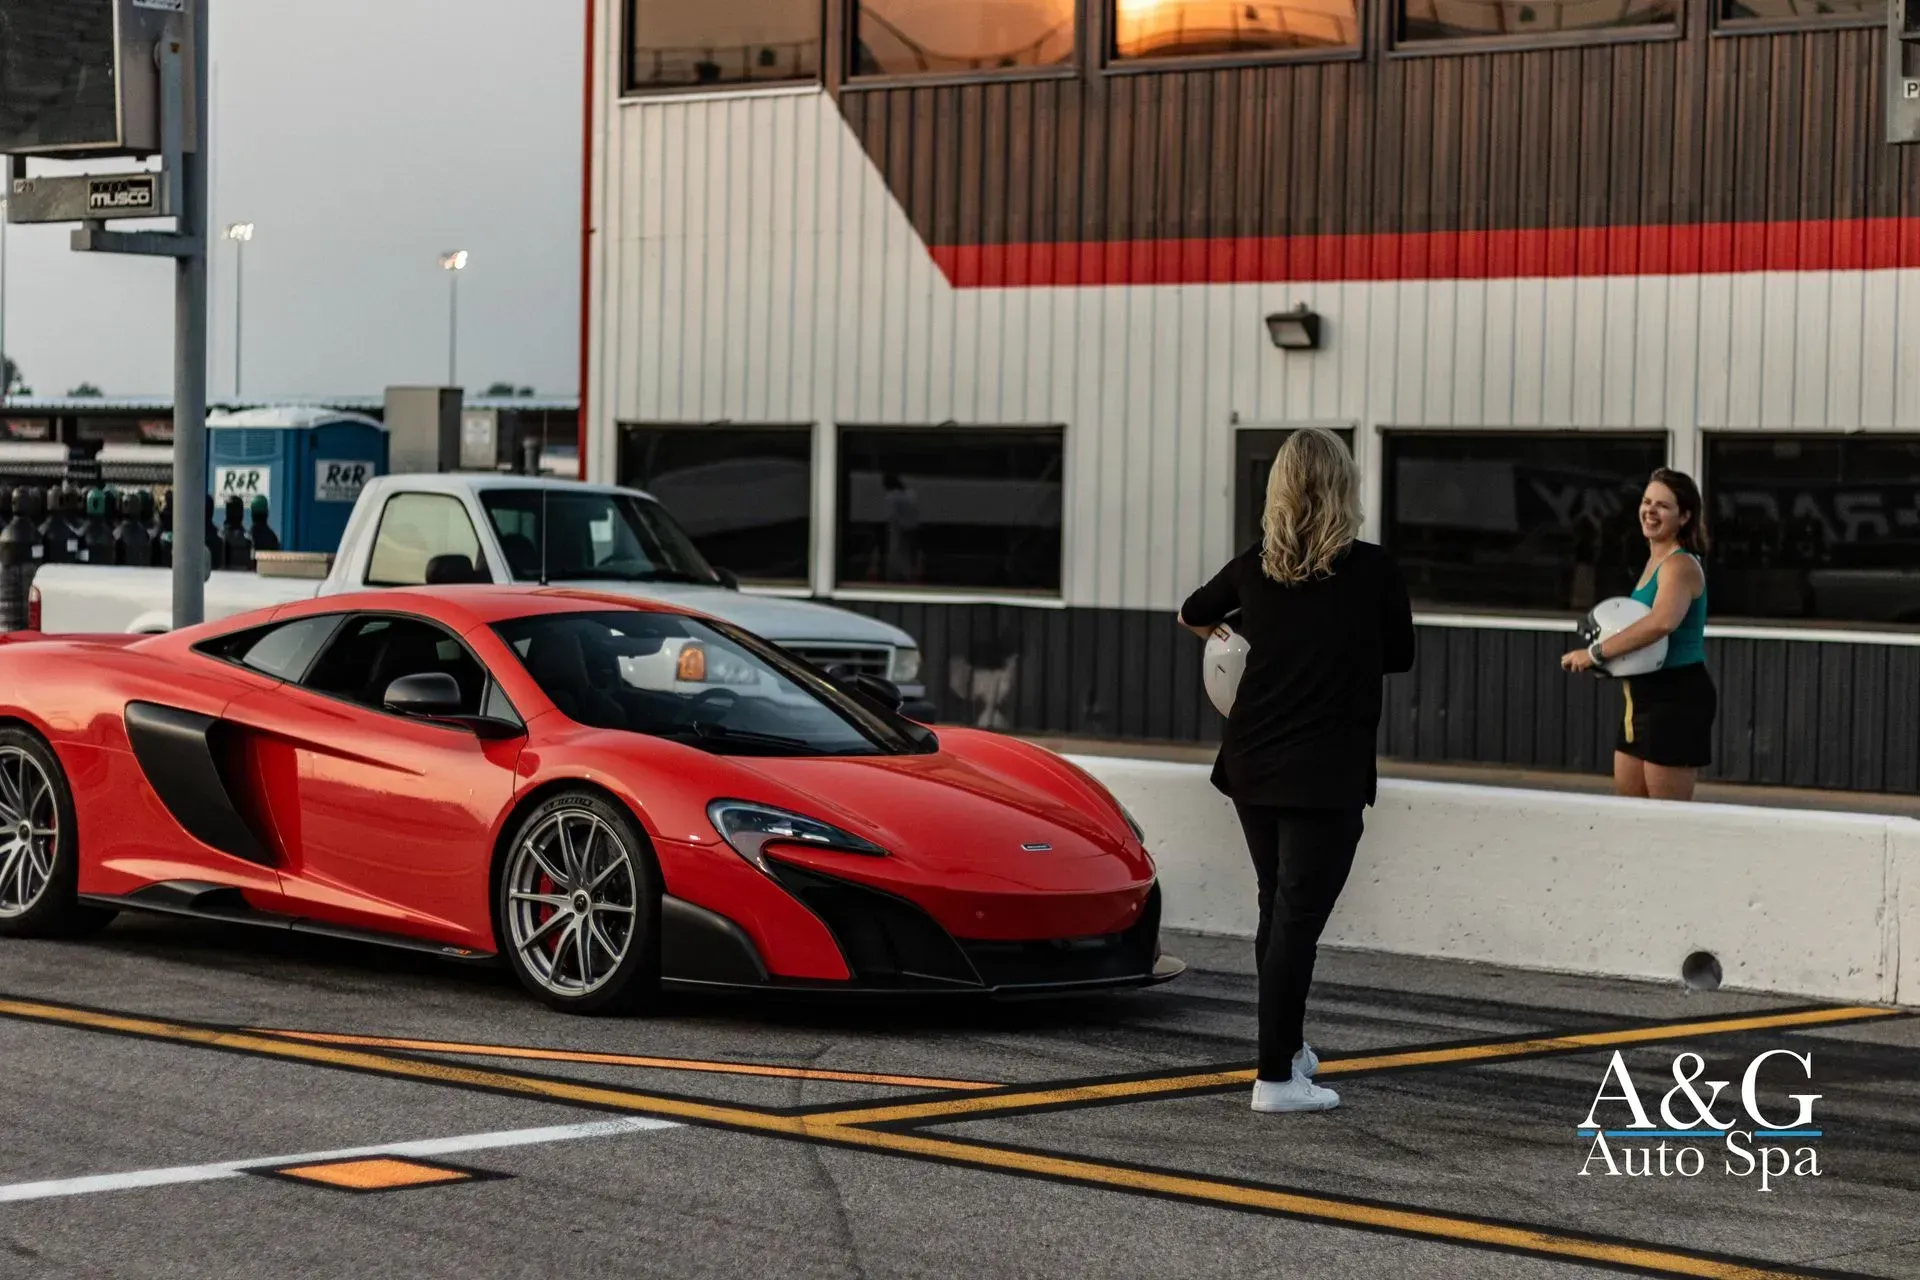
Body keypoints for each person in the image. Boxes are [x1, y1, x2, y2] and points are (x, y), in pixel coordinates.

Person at [1177, 428, 1414, 1115]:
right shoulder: (1373, 570)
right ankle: (1276, 1078)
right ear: (1345, 487)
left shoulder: (1256, 568)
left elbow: (1192, 613)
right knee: (1295, 922)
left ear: (1278, 488)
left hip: (1252, 759)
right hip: (1326, 769)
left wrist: (1235, 638)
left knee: (1276, 907)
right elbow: (1399, 655)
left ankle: (1287, 1049)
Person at [1561, 469, 1714, 802]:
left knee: (1665, 822)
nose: (1650, 511)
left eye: (1663, 506)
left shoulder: (1680, 565)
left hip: (1678, 695)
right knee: (1631, 813)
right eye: (1646, 502)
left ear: (1685, 516)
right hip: (1640, 696)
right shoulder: (1652, 562)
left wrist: (1596, 654)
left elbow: (1661, 622)